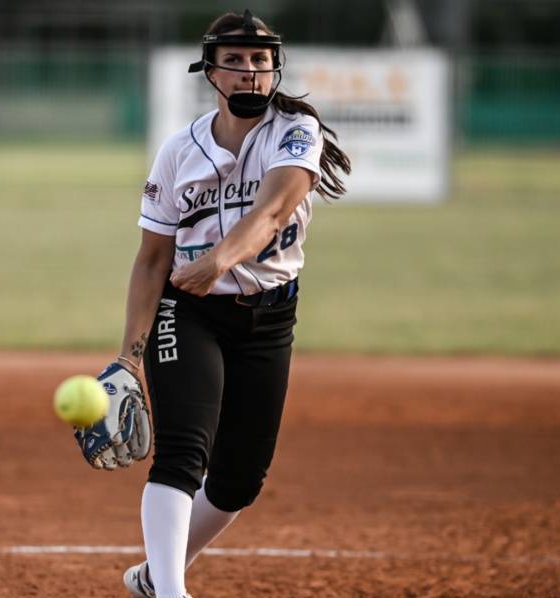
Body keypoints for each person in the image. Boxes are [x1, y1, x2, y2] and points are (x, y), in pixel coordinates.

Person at [85, 9, 350, 598]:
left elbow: (273, 211)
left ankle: (154, 577)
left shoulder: (295, 132)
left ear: (275, 68)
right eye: (234, 61)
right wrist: (129, 356)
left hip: (270, 316)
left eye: (260, 60)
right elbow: (152, 260)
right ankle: (172, 592)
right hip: (189, 311)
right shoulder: (179, 151)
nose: (249, 71)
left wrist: (218, 259)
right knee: (182, 454)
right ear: (211, 72)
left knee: (238, 481)